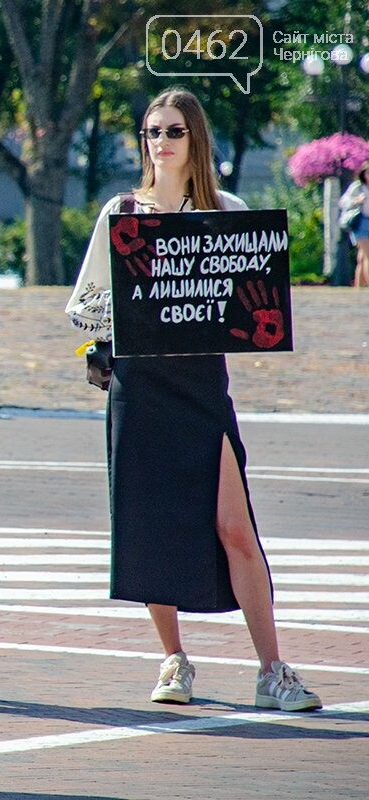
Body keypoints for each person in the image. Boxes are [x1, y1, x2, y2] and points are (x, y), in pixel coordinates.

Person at [65, 88, 321, 712]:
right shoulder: (121, 212)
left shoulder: (229, 210)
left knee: (236, 528)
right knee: (149, 527)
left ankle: (273, 670)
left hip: (204, 388)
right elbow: (83, 305)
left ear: (195, 139)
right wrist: (117, 322)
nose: (161, 142)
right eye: (152, 131)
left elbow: (258, 301)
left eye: (174, 131)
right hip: (140, 386)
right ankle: (173, 660)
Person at [338, 161, 369, 288]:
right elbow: (343, 202)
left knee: (362, 256)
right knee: (368, 254)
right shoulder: (358, 187)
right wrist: (357, 200)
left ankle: (358, 286)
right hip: (361, 222)